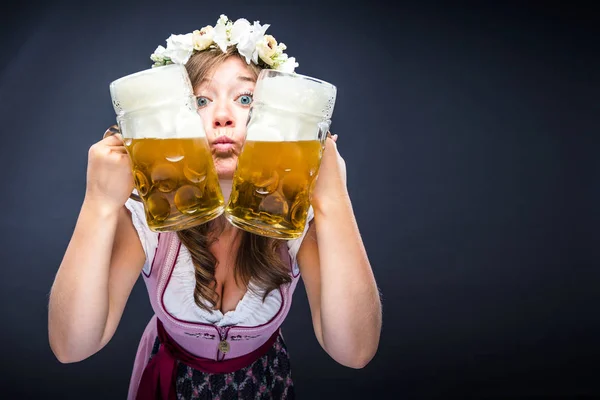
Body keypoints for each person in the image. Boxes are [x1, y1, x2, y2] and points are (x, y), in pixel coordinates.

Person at [48, 14, 382, 399]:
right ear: (174, 115)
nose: (223, 116)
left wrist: (334, 199)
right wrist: (99, 204)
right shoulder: (150, 216)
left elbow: (355, 351)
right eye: (201, 100)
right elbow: (71, 347)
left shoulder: (295, 214)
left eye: (245, 99)